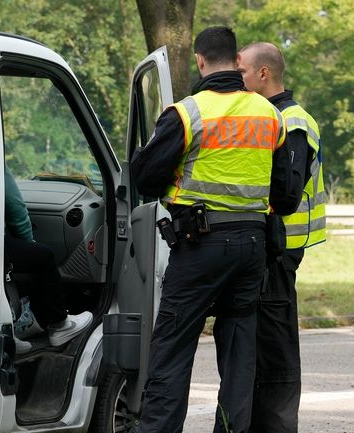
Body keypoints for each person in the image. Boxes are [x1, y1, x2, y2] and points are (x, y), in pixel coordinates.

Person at [131, 26, 299, 433]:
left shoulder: (188, 112)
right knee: (240, 355)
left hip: (199, 246)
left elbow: (143, 178)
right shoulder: (269, 115)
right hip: (252, 249)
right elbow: (287, 195)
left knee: (172, 349)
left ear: (201, 62)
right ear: (237, 64)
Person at [237, 42, 326, 433]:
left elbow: (285, 195)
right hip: (261, 247)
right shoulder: (266, 117)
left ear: (263, 74)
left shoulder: (293, 122)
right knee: (253, 345)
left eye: (241, 71)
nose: (236, 78)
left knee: (275, 350)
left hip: (280, 248)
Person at [4, 164, 92, 352]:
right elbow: (14, 207)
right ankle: (59, 325)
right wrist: (30, 243)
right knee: (43, 256)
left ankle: (4, 332)